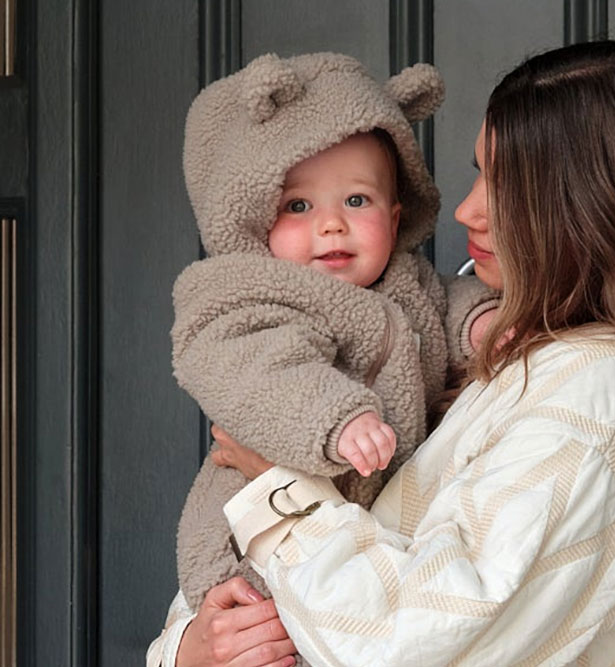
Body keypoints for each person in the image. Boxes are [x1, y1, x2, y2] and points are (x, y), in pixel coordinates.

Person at [149, 39, 615, 667]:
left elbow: (414, 647)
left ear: (599, 209)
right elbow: (244, 589)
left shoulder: (598, 398)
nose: (467, 209)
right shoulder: (497, 351)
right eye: (479, 171)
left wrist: (278, 493)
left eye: (511, 186)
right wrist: (193, 649)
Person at [167, 52, 467, 624]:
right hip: (253, 538)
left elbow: (450, 312)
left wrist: (482, 327)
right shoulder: (244, 294)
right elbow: (252, 370)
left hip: (366, 544)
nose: (332, 224)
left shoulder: (410, 284)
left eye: (357, 200)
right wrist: (337, 418)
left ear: (397, 216)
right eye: (298, 206)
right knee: (266, 636)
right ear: (252, 216)